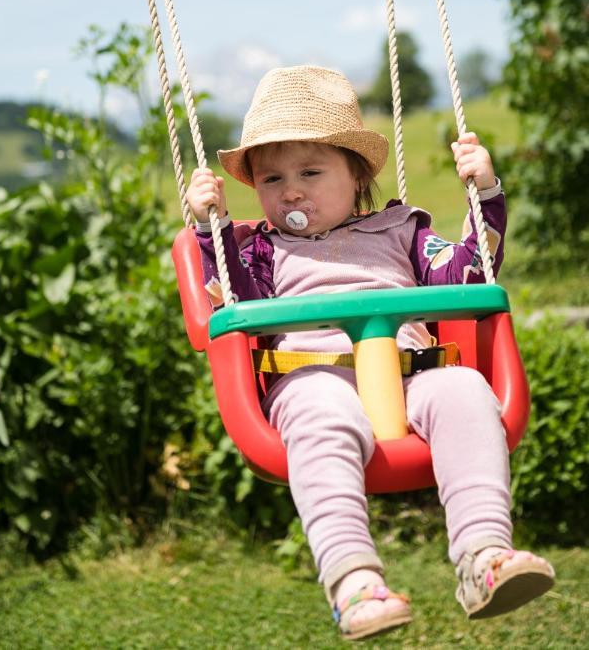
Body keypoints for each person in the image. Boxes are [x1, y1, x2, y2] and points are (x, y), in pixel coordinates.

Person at [188, 65, 554, 640]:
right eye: (272, 178)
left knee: (464, 390)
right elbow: (236, 297)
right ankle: (354, 581)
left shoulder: (403, 231)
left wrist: (484, 194)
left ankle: (485, 555)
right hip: (312, 374)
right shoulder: (257, 249)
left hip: (414, 373)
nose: (291, 190)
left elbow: (465, 276)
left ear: (357, 176)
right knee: (321, 415)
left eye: (311, 170)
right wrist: (212, 229)